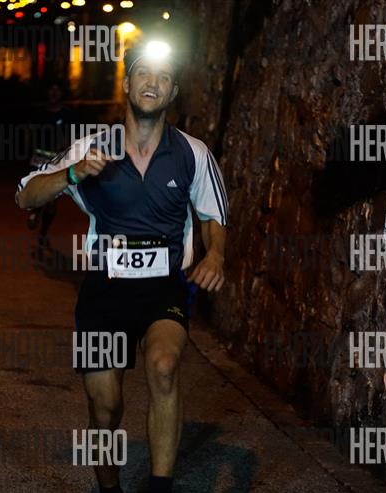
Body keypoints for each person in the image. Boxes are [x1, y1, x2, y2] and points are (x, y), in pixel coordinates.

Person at [15, 41, 229, 493]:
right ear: (128, 84)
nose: (153, 83)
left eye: (164, 77)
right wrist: (72, 174)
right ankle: (109, 488)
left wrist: (215, 255)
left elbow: (213, 215)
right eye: (144, 73)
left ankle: (160, 487)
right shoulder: (91, 147)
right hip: (104, 291)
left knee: (164, 366)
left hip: (164, 287)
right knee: (105, 406)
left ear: (173, 93)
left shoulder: (193, 153)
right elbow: (25, 195)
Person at [26, 80, 75, 241]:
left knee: (52, 201)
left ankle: (43, 233)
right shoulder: (39, 113)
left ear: (61, 93)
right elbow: (30, 132)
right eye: (51, 89)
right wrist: (29, 149)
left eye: (57, 90)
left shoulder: (67, 115)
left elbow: (72, 137)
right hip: (38, 159)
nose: (54, 93)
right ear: (46, 93)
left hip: (58, 160)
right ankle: (35, 212)